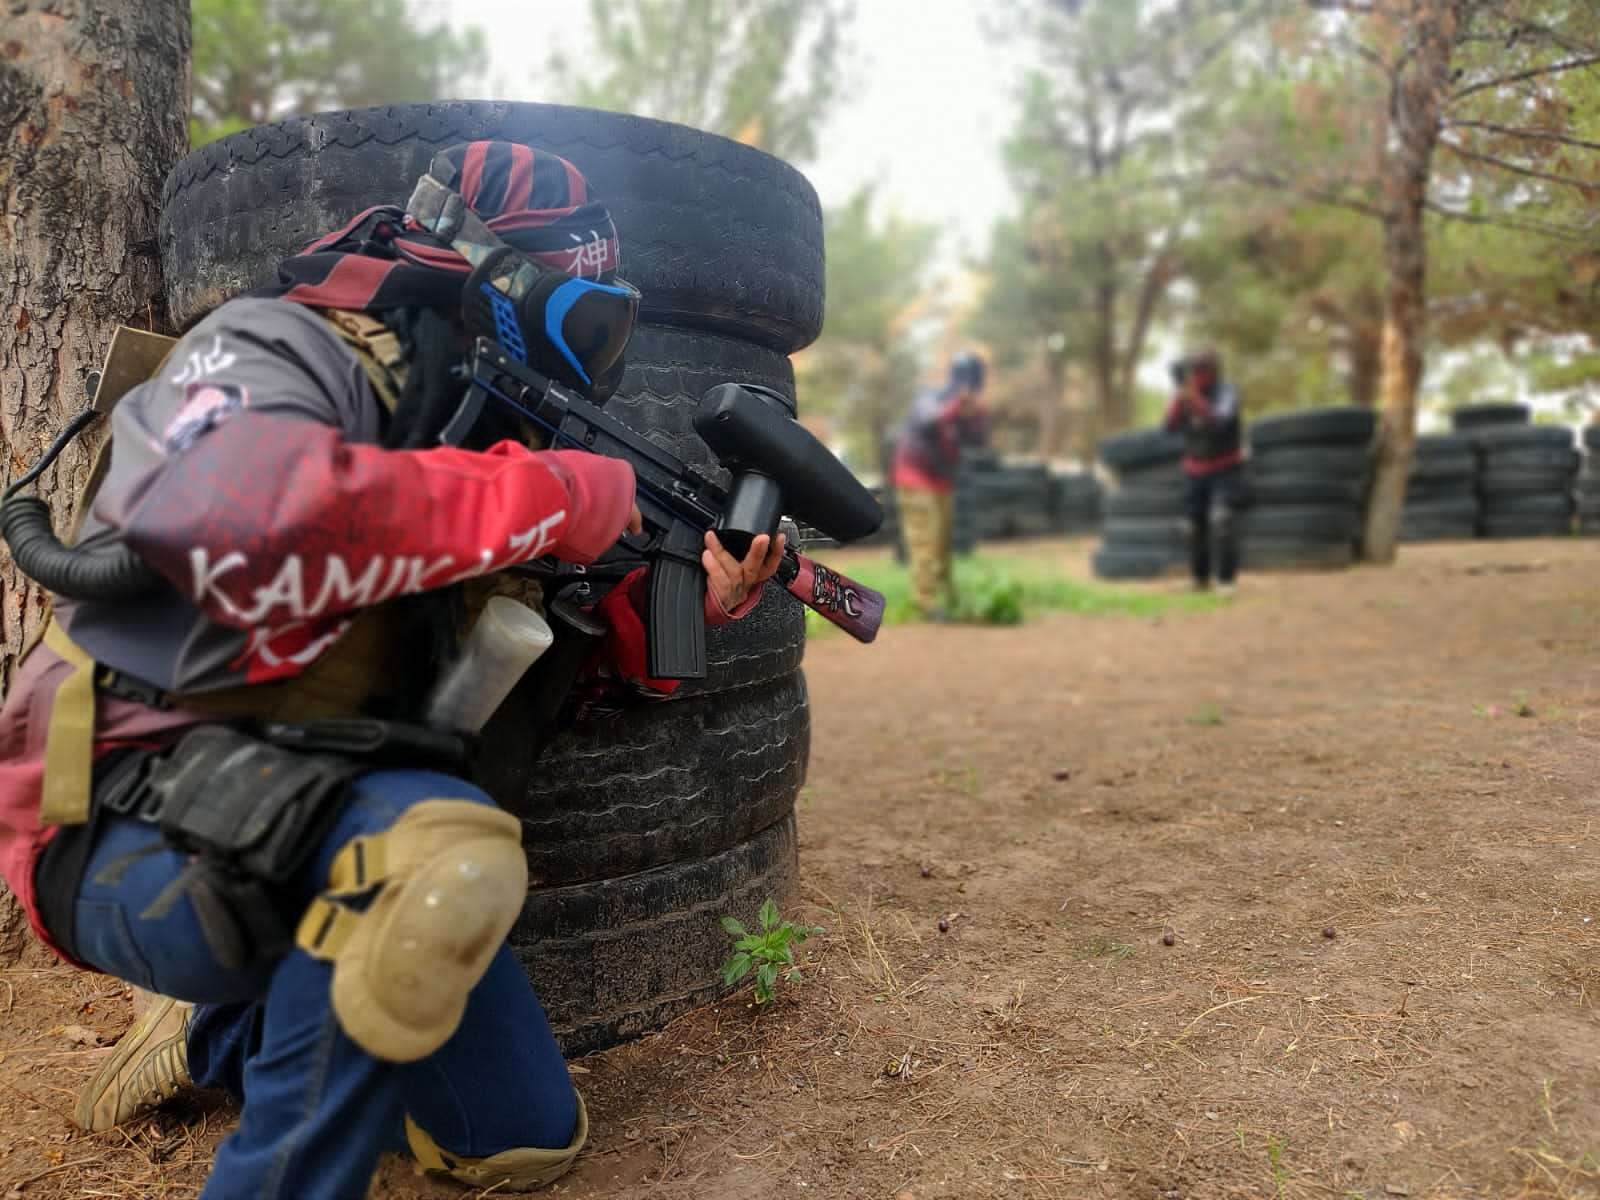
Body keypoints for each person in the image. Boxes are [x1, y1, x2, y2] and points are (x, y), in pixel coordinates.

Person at [0, 140, 785, 1199]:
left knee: (522, 1139)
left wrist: (694, 597)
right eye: (584, 310)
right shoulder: (275, 344)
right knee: (425, 856)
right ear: (500, 281)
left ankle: (224, 1032)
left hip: (323, 810)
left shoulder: (479, 424)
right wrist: (550, 495)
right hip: (119, 811)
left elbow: (563, 665)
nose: (596, 344)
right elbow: (242, 519)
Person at [890, 352, 989, 619]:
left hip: (942, 482)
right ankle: (926, 602)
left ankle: (946, 597)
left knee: (943, 546)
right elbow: (928, 420)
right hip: (915, 478)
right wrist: (957, 406)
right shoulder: (931, 398)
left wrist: (975, 416)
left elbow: (977, 440)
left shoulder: (965, 412)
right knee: (926, 542)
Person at [1164, 349, 1243, 594]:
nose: (1198, 375)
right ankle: (1200, 579)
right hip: (1195, 469)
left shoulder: (1227, 391)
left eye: (1202, 370)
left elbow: (1222, 421)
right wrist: (1180, 398)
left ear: (1214, 371)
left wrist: (1196, 400)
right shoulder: (1185, 394)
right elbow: (1168, 427)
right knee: (1192, 527)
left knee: (1222, 519)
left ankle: (1226, 581)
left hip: (1225, 468)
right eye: (1194, 370)